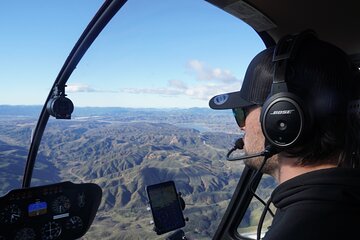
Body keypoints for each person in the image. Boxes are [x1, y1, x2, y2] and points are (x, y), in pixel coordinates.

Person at [209, 31, 360, 239]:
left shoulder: (298, 231)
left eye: (241, 113)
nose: (241, 127)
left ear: (282, 117)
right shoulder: (346, 203)